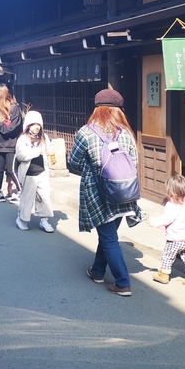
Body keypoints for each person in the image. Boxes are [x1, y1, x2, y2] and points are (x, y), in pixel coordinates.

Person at [68, 88, 142, 297]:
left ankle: (123, 282)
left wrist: (92, 168)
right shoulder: (126, 133)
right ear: (119, 110)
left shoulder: (86, 132)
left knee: (109, 238)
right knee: (108, 234)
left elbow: (74, 162)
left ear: (96, 109)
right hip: (123, 191)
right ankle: (98, 271)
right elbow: (134, 163)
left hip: (98, 193)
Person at [149, 173, 185, 287]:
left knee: (167, 256)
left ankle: (163, 275)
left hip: (175, 238)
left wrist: (153, 222)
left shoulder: (172, 205)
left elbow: (167, 219)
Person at [14, 110, 55, 233]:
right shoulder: (22, 139)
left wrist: (51, 153)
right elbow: (20, 156)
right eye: (34, 124)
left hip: (42, 171)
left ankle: (44, 220)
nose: (37, 127)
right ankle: (22, 219)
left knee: (45, 196)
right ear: (28, 125)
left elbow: (49, 149)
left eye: (38, 124)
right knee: (27, 198)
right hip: (29, 173)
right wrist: (35, 153)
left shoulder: (44, 137)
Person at [0, 84, 24, 203]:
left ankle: (20, 191)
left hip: (11, 144)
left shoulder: (14, 108)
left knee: (11, 170)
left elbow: (12, 128)